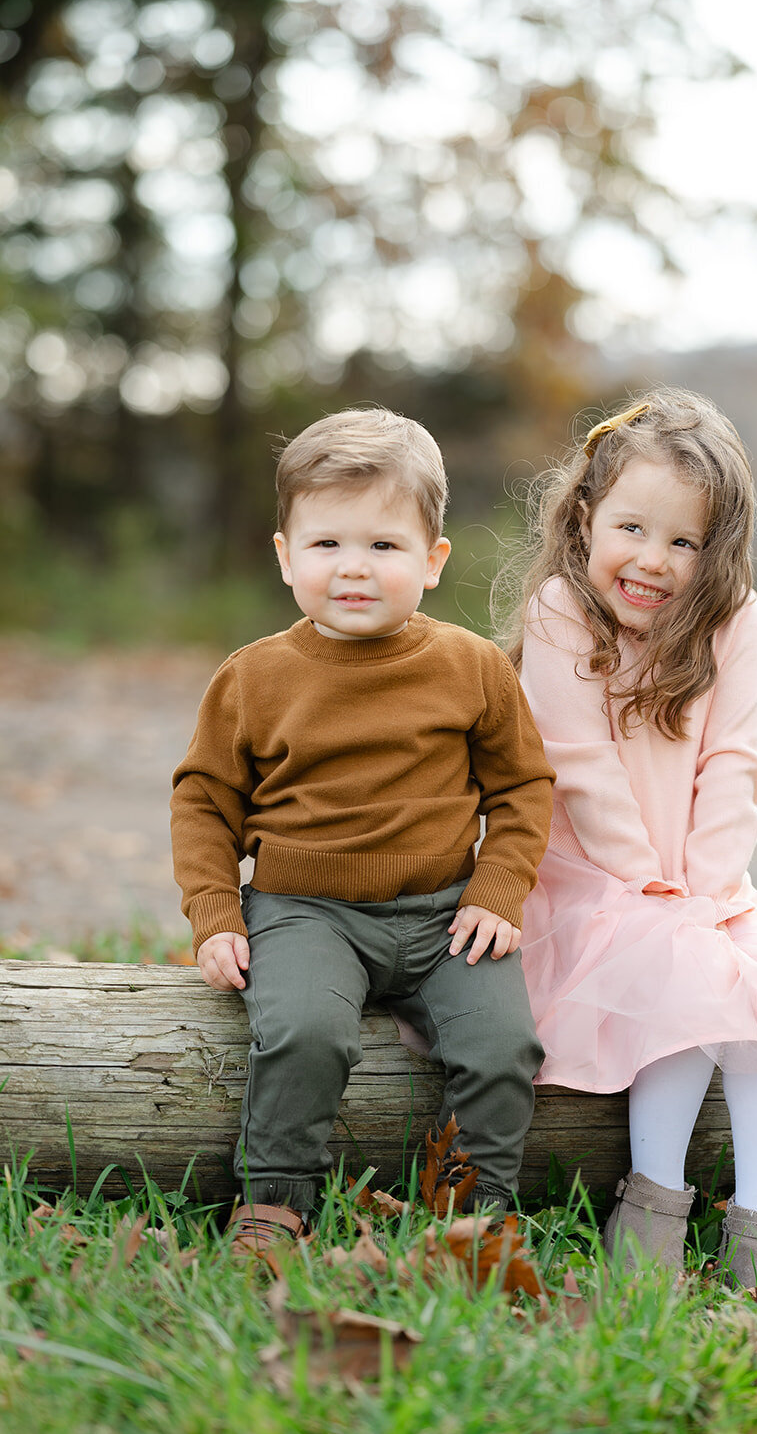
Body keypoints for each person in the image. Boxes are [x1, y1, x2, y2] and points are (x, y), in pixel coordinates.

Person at [171, 408, 555, 1255]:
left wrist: (498, 888)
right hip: (305, 912)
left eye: (383, 546)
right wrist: (213, 912)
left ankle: (472, 1214)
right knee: (306, 1032)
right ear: (284, 556)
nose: (354, 569)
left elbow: (524, 784)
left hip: (443, 912)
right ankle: (275, 1201)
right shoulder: (255, 676)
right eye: (326, 545)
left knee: (503, 1048)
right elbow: (204, 798)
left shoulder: (471, 668)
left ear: (431, 559)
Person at [496, 389, 757, 1286]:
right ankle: (651, 1208)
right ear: (586, 516)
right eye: (632, 529)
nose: (652, 560)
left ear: (716, 550)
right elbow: (581, 768)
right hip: (585, 874)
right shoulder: (562, 609)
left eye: (683, 542)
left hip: (699, 879)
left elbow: (733, 762)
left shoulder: (732, 618)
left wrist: (711, 888)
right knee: (681, 971)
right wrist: (650, 884)